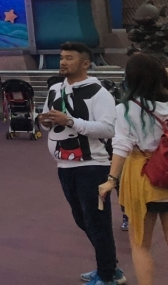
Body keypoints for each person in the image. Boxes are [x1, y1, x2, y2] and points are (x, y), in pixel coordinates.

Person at [39, 42, 120, 285]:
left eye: (69, 58)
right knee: (81, 219)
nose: (63, 62)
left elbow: (109, 129)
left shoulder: (99, 92)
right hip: (64, 166)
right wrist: (43, 121)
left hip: (93, 166)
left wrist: (72, 121)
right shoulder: (54, 89)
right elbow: (46, 122)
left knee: (97, 222)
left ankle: (107, 276)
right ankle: (110, 267)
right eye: (62, 57)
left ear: (85, 63)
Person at [98, 53, 168, 285]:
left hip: (142, 175)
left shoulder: (126, 109)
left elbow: (121, 146)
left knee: (140, 244)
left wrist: (111, 179)